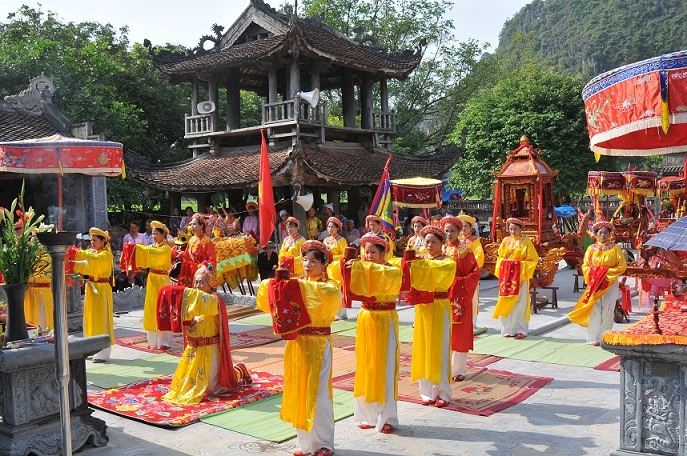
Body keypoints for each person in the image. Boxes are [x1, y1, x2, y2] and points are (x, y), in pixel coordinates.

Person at [257, 240, 340, 456]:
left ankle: (324, 444)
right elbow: (270, 294)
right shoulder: (297, 284)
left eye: (313, 261)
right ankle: (306, 443)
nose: (307, 264)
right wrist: (277, 282)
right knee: (298, 390)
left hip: (319, 344)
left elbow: (321, 296)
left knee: (319, 394)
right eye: (305, 260)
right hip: (297, 343)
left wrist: (290, 285)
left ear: (324, 264)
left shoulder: (329, 287)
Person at [162, 262, 252, 405]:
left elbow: (197, 299)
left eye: (201, 282)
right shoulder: (193, 302)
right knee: (185, 384)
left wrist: (178, 292)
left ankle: (239, 370)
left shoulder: (213, 300)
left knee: (214, 389)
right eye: (195, 282)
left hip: (211, 349)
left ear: (211, 284)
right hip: (194, 349)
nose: (197, 286)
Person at [347, 233, 402, 433]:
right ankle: (366, 415)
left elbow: (380, 276)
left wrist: (358, 267)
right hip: (366, 318)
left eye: (373, 252)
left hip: (385, 319)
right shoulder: (360, 267)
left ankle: (388, 417)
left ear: (383, 253)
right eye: (366, 252)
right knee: (365, 366)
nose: (368, 256)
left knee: (386, 368)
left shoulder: (392, 270)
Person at [405, 225, 456, 407]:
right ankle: (426, 391)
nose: (429, 245)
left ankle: (443, 392)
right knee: (423, 347)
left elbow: (436, 271)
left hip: (440, 306)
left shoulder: (448, 262)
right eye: (427, 241)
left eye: (434, 242)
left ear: (442, 244)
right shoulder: (419, 260)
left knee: (440, 349)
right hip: (423, 308)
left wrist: (416, 265)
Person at [568, 221, 628, 345]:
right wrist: (594, 274)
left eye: (606, 232)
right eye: (600, 232)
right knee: (595, 309)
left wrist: (605, 273)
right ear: (596, 234)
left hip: (610, 283)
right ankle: (593, 337)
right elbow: (585, 266)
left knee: (608, 309)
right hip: (595, 283)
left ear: (609, 234)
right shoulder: (591, 249)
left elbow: (621, 266)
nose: (603, 235)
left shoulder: (616, 248)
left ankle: (604, 337)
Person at [442, 216, 480, 382]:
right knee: (444, 332)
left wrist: (457, 283)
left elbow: (474, 274)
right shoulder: (440, 249)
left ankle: (459, 370)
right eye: (446, 230)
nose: (449, 234)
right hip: (441, 297)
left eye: (452, 231)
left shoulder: (465, 250)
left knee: (460, 333)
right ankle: (443, 367)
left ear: (459, 232)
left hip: (459, 297)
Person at [71, 228, 115, 362]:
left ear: (103, 242)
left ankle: (103, 352)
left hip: (101, 288)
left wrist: (76, 253)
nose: (92, 242)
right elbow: (85, 261)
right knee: (90, 317)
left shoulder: (106, 255)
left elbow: (93, 260)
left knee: (101, 319)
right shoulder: (91, 252)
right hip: (91, 286)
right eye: (91, 240)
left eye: (95, 240)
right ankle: (91, 347)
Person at [128, 221, 173, 350]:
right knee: (152, 308)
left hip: (162, 279)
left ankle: (165, 341)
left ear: (163, 234)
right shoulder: (154, 247)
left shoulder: (165, 248)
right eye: (152, 234)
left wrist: (136, 248)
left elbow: (154, 254)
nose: (153, 237)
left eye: (156, 234)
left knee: (163, 308)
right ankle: (153, 340)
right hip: (152, 278)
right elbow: (148, 251)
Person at [493, 217, 538, 339]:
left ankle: (521, 330)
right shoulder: (506, 241)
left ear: (520, 229)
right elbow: (499, 257)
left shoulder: (526, 242)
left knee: (521, 303)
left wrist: (518, 265)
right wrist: (505, 262)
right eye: (510, 229)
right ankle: (507, 329)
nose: (512, 231)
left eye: (515, 229)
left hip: (520, 278)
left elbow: (533, 259)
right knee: (506, 301)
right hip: (507, 277)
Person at [457, 214, 485, 328]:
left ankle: (472, 323)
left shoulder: (474, 241)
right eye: (462, 226)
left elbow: (479, 256)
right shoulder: (456, 240)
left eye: (466, 226)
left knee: (472, 297)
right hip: (458, 273)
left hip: (469, 273)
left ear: (471, 228)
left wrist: (469, 268)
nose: (463, 228)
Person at [176, 213, 216, 287]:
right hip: (190, 272)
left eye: (194, 224)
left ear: (201, 226)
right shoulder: (191, 239)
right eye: (191, 224)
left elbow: (212, 261)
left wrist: (203, 268)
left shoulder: (207, 242)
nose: (192, 227)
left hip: (201, 275)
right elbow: (186, 256)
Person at [25, 251, 54, 330]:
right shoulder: (27, 256)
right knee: (30, 319)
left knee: (43, 320)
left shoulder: (48, 256)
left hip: (43, 292)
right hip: (29, 293)